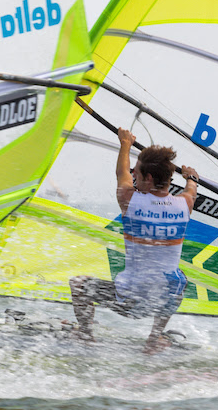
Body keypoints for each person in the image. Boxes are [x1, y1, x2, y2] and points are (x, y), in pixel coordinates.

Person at [68, 128, 198, 354]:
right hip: (163, 302)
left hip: (131, 303)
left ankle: (85, 334)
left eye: (136, 173)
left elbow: (120, 174)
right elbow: (191, 188)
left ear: (148, 178)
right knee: (178, 279)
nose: (132, 174)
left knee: (78, 285)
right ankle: (154, 339)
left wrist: (125, 144)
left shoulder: (131, 201)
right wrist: (191, 177)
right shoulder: (185, 204)